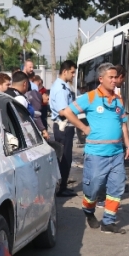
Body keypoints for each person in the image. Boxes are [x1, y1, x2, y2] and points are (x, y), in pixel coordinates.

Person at [59, 63, 129, 234]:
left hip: (116, 152)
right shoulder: (90, 97)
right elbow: (68, 112)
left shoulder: (118, 99)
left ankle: (108, 221)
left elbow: (122, 124)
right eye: (111, 77)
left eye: (116, 77)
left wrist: (128, 145)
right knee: (93, 189)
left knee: (117, 188)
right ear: (101, 79)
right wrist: (84, 128)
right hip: (96, 154)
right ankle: (88, 210)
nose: (115, 81)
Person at [50, 60, 78, 197]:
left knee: (66, 157)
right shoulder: (60, 89)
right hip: (63, 125)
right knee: (65, 158)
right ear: (65, 71)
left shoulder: (63, 86)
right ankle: (61, 188)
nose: (73, 75)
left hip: (65, 126)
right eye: (72, 72)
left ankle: (63, 185)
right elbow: (63, 111)